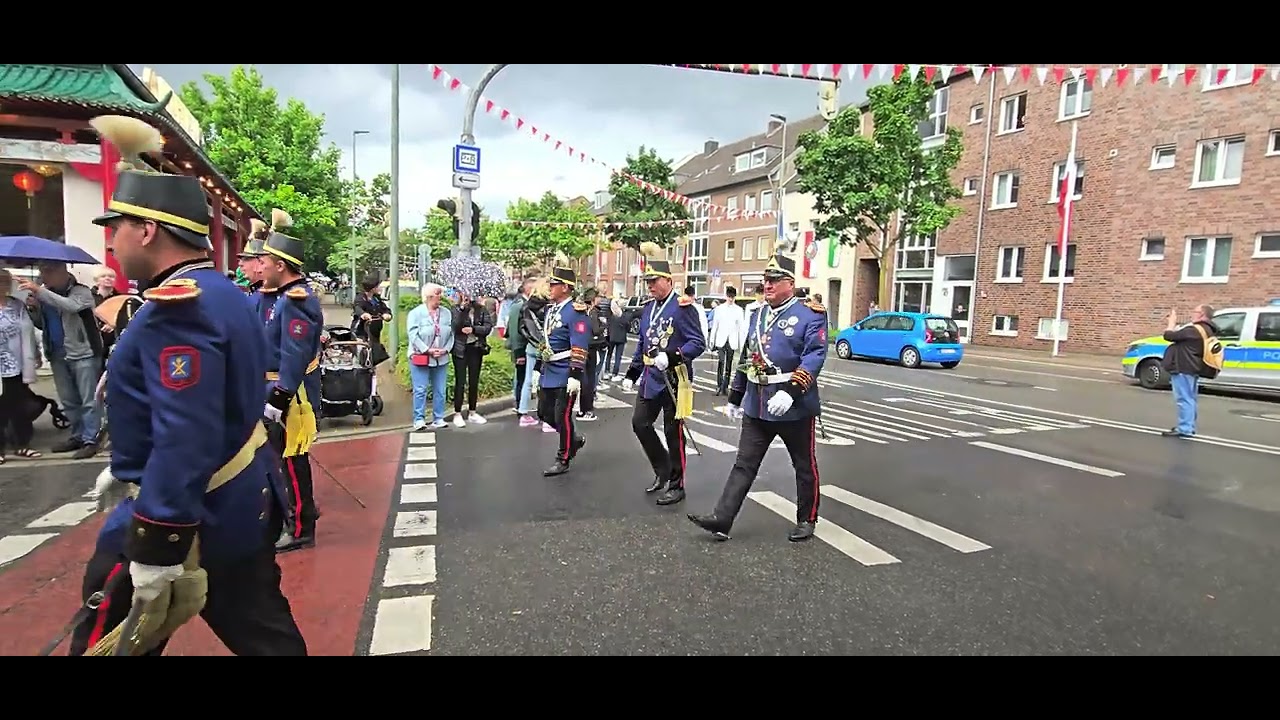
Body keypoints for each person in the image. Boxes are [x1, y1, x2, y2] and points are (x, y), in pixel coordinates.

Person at [72, 164, 305, 656]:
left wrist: (159, 537)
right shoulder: (223, 293)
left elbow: (186, 433)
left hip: (193, 513)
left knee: (106, 641)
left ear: (148, 229)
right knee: (266, 636)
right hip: (239, 501)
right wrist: (128, 465)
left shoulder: (179, 309)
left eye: (117, 228)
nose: (113, 242)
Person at [688, 253, 828, 543]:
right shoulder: (758, 314)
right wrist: (735, 397)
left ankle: (807, 518)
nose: (768, 285)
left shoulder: (810, 315)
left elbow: (814, 356)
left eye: (774, 280)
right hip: (758, 402)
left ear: (790, 283)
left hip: (794, 405)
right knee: (744, 463)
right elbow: (748, 356)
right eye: (765, 280)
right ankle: (723, 518)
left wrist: (792, 391)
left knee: (803, 464)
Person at [621, 243, 705, 505]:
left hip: (674, 378)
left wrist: (671, 356)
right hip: (650, 378)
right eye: (647, 282)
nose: (650, 286)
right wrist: (632, 373)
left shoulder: (683, 307)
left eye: (654, 281)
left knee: (673, 432)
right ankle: (663, 469)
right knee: (640, 424)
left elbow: (697, 342)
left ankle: (677, 484)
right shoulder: (648, 308)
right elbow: (643, 344)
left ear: (668, 280)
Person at [258, 230, 324, 554]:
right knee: (279, 461)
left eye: (265, 261)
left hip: (292, 392)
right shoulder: (280, 296)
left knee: (292, 461)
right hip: (274, 386)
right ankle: (292, 514)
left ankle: (301, 526)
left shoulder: (297, 300)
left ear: (281, 265)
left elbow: (294, 354)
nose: (260, 266)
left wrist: (280, 396)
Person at [20, 261, 103, 459]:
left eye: (48, 272)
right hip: (57, 353)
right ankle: (77, 436)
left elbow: (71, 306)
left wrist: (40, 292)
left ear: (62, 272)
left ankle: (92, 439)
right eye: (42, 272)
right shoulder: (44, 293)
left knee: (89, 400)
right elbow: (41, 324)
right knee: (68, 400)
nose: (44, 276)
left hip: (83, 352)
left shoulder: (81, 292)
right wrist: (34, 309)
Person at [535, 263, 590, 476]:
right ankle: (573, 439)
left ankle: (564, 457)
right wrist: (538, 368)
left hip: (567, 371)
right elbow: (546, 342)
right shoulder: (551, 310)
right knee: (544, 413)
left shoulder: (576, 312)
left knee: (562, 416)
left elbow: (580, 343)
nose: (550, 287)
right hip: (550, 370)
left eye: (554, 284)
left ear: (566, 287)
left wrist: (575, 374)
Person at [0, 269, 43, 461]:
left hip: (15, 363)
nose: (4, 287)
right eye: (1, 282)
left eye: (6, 283)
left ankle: (22, 444)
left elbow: (28, 332)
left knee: (18, 404)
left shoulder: (16, 305)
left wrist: (35, 354)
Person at [1159, 304, 1219, 438]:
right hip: (1192, 367)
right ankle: (1188, 426)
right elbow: (1181, 337)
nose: (1192, 314)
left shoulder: (1194, 329)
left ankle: (1185, 428)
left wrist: (1171, 322)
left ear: (1202, 314)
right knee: (1190, 398)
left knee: (1184, 398)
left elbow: (1169, 335)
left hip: (1183, 367)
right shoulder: (1206, 329)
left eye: (1195, 311)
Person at [406, 283, 453, 431]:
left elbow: (451, 334)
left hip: (441, 357)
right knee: (420, 389)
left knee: (440, 389)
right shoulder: (415, 313)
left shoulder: (446, 313)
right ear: (428, 297)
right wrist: (427, 349)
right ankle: (419, 419)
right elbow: (413, 335)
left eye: (440, 294)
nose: (439, 298)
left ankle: (438, 417)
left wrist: (446, 349)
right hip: (421, 356)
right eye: (436, 295)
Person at [450, 291, 493, 427]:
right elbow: (455, 326)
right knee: (460, 381)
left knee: (474, 380)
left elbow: (487, 327)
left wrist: (473, 329)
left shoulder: (481, 309)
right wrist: (462, 309)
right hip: (460, 349)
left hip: (476, 348)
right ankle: (457, 413)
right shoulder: (456, 309)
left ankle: (473, 411)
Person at [520, 279, 555, 433]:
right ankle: (547, 419)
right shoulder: (550, 307)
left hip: (531, 347)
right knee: (547, 383)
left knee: (528, 380)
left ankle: (523, 412)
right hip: (547, 348)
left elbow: (523, 328)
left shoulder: (527, 306)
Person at [505, 277, 536, 427]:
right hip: (521, 348)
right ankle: (519, 406)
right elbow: (515, 331)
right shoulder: (520, 306)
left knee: (521, 378)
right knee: (522, 379)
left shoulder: (520, 304)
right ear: (528, 289)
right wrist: (519, 353)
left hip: (521, 348)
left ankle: (519, 405)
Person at [576, 285, 607, 422]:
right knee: (590, 378)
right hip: (592, 347)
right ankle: (588, 409)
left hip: (581, 346)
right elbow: (595, 330)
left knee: (584, 379)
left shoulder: (580, 311)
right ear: (594, 299)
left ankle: (582, 410)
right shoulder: (593, 312)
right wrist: (603, 325)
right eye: (598, 297)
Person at [709, 285, 747, 395]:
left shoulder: (739, 310)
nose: (731, 299)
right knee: (721, 362)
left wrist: (741, 344)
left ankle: (725, 386)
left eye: (733, 297)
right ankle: (719, 385)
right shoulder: (719, 309)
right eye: (729, 297)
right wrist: (712, 341)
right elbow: (715, 325)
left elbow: (741, 328)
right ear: (726, 296)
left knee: (729, 364)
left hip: (732, 340)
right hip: (721, 339)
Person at [352, 276, 392, 367]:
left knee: (375, 355)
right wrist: (363, 314)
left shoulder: (376, 299)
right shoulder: (360, 298)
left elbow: (385, 309)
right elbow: (357, 307)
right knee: (362, 354)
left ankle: (371, 372)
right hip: (361, 332)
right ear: (372, 288)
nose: (380, 288)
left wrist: (387, 314)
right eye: (378, 286)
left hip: (374, 333)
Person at [604, 296, 629, 382]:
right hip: (621, 338)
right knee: (618, 357)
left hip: (611, 337)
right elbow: (628, 326)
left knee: (609, 355)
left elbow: (607, 325)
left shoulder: (610, 314)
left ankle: (607, 371)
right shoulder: (623, 314)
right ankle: (615, 373)